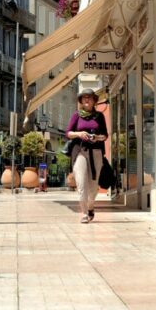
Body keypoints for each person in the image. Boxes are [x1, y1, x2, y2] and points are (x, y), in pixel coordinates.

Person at [65, 88, 108, 224]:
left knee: (94, 186)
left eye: (89, 97)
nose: (87, 100)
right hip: (80, 151)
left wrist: (97, 137)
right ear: (81, 101)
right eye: (84, 98)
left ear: (94, 100)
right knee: (82, 183)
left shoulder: (99, 116)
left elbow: (105, 135)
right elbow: (68, 133)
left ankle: (90, 207)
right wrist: (79, 134)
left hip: (96, 151)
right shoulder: (76, 115)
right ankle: (84, 213)